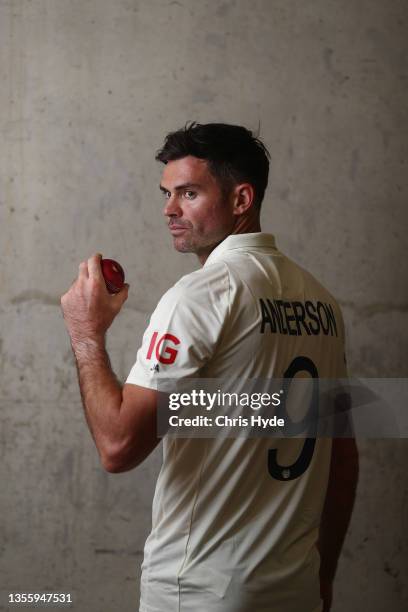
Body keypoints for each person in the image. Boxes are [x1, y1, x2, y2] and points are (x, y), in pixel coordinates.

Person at [61, 122, 359, 612]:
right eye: (167, 194)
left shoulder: (199, 296)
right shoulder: (322, 302)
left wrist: (85, 333)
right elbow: (342, 456)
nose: (169, 210)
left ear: (242, 200)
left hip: (200, 591)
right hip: (293, 590)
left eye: (189, 193)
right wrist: (322, 577)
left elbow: (117, 446)